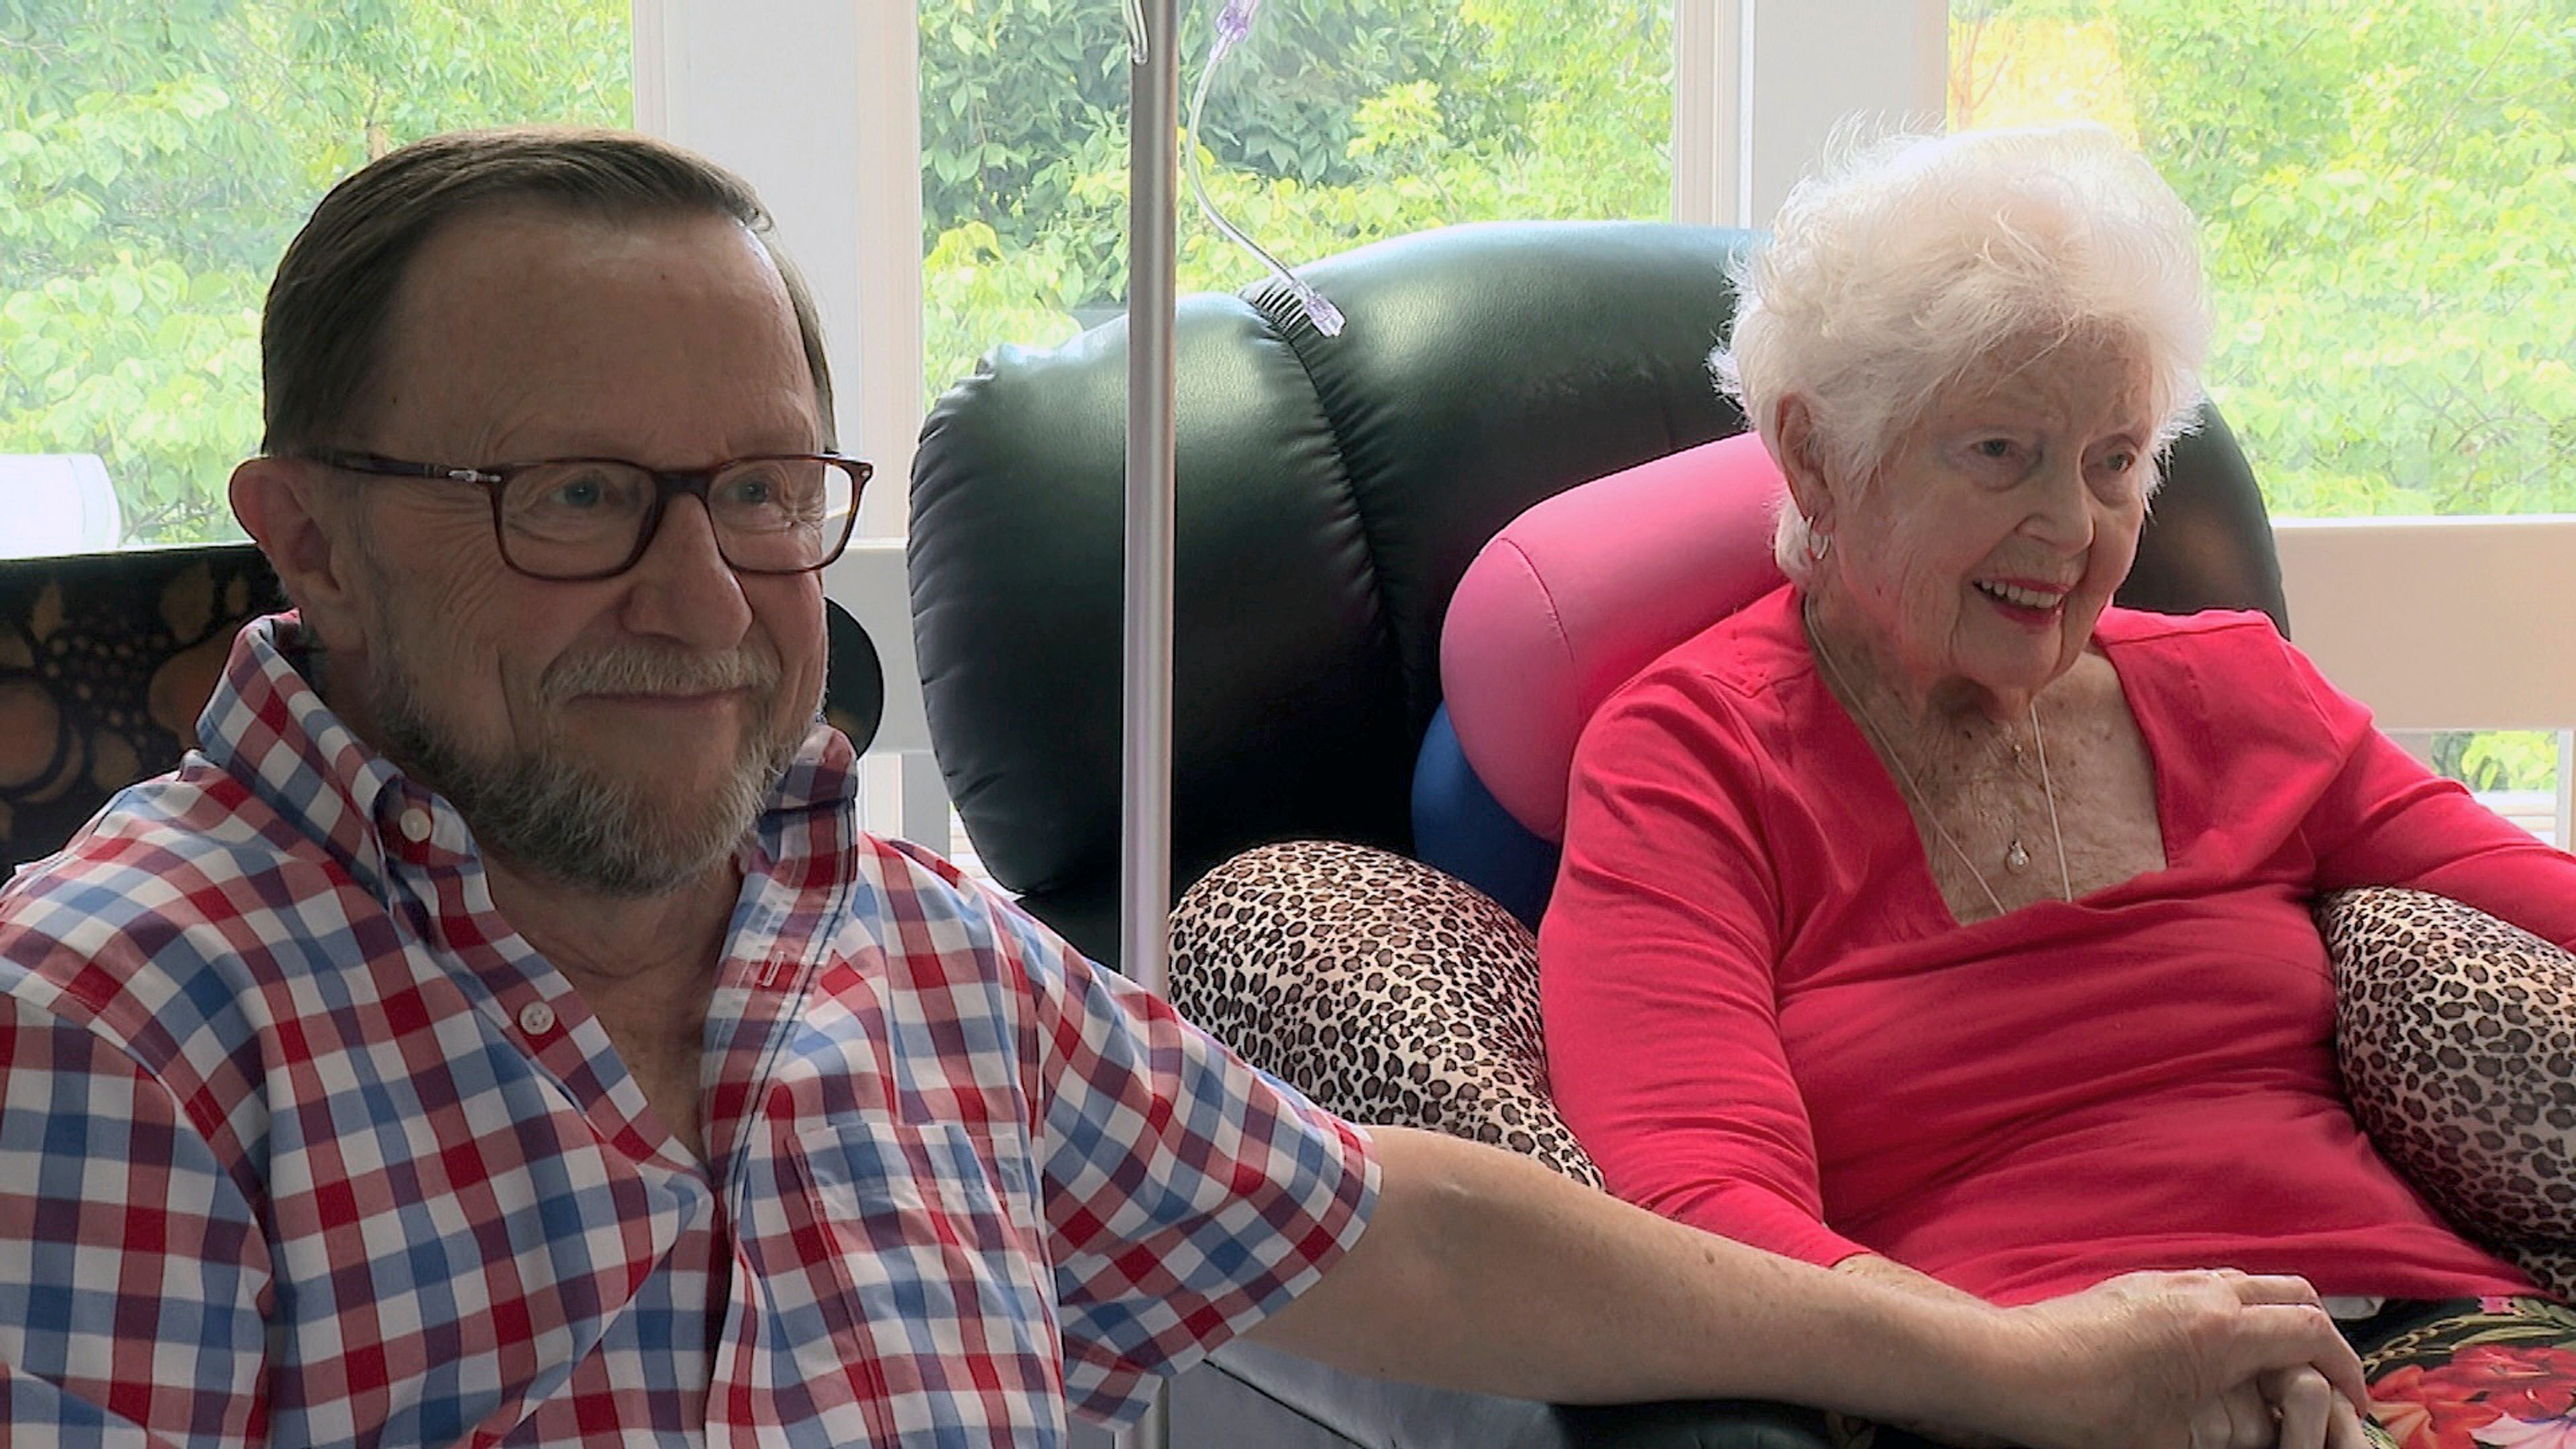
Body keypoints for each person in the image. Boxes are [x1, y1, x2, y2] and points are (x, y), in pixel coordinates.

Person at [0, 126, 2372, 1449]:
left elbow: (1390, 1232)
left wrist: (2006, 1366)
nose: (713, 607)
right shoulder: (122, 1032)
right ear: (306, 537)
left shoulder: (899, 954)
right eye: (571, 500)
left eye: (750, 493)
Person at [1539, 124, 2576, 1449]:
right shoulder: (1693, 761)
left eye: (2113, 463)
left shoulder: (2237, 695)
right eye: (2000, 453)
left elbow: (2541, 901)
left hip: (2441, 1347)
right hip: (2028, 1385)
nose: (2075, 530)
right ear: (1816, 456)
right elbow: (1694, 1209)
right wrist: (2039, 1368)